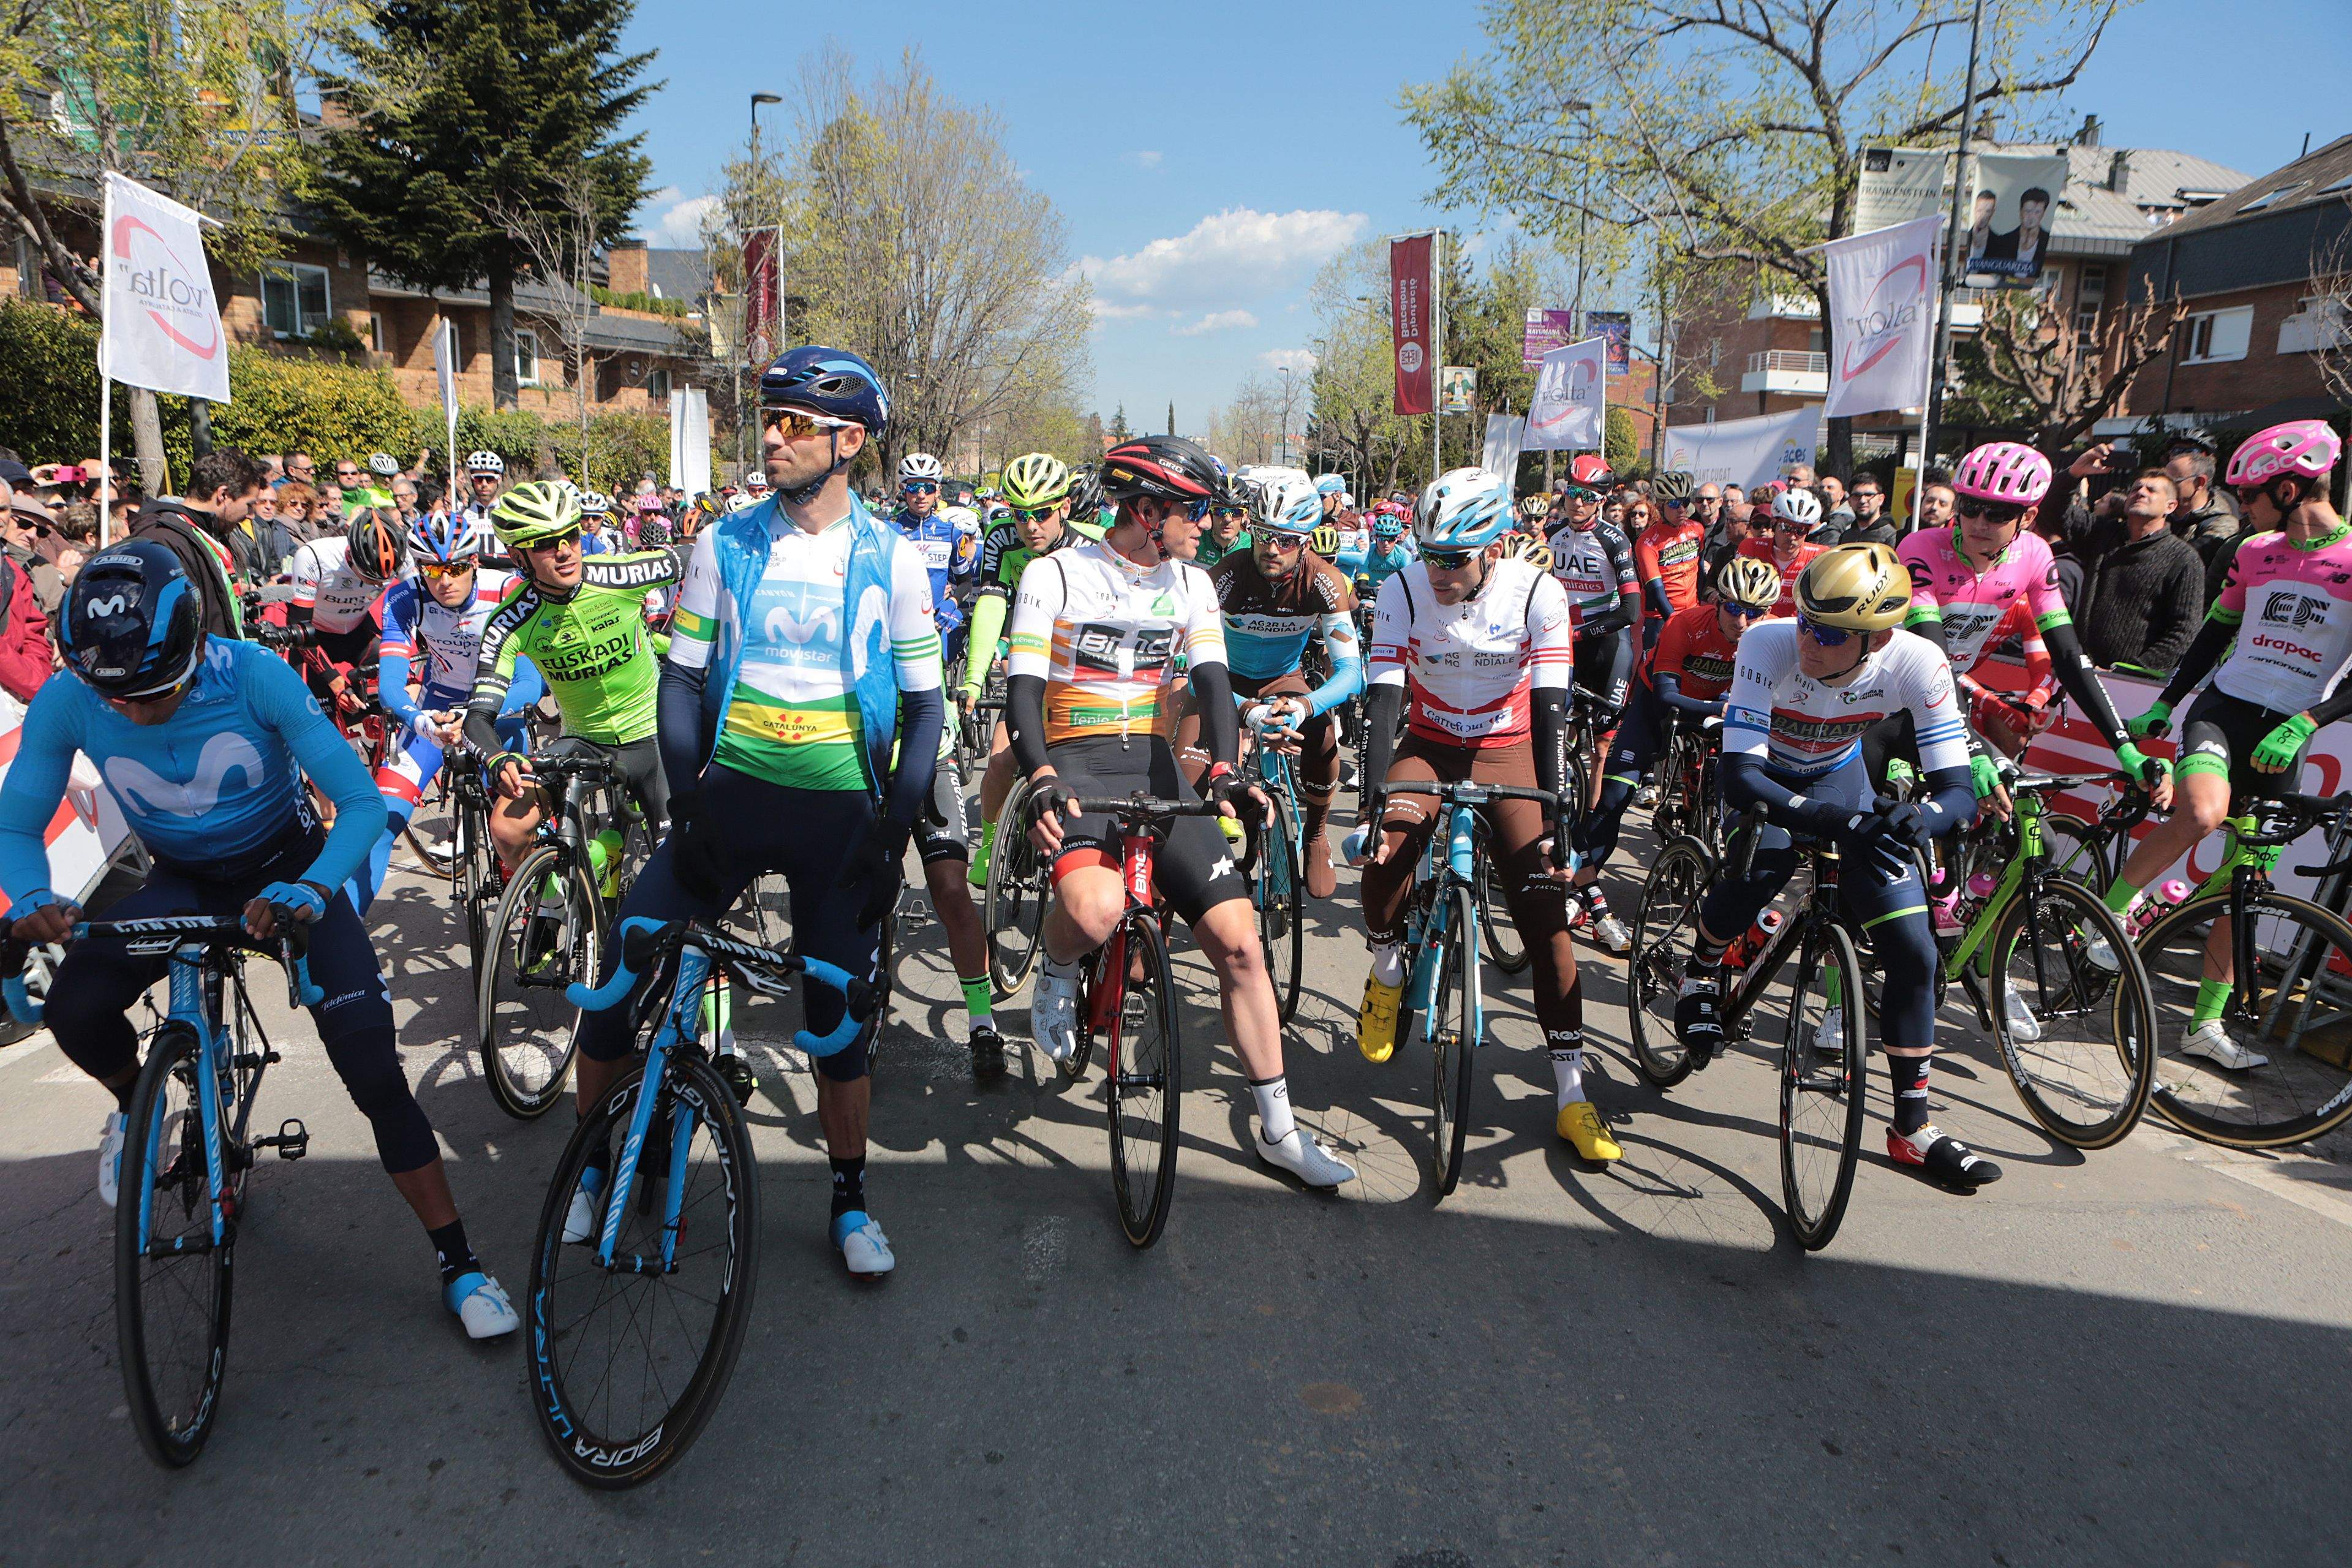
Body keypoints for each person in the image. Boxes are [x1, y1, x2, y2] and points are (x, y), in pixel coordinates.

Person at [0, 543, 518, 1336]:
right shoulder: (73, 696)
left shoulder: (252, 674)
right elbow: (17, 819)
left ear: (191, 648)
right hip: (178, 875)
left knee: (374, 1071)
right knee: (74, 1007)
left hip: (289, 867)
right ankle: (137, 1105)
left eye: (153, 692)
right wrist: (33, 895)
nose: (134, 713)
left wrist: (311, 890)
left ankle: (460, 1263)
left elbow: (359, 803)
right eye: (118, 700)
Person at [562, 347, 938, 1277]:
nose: (772, 436)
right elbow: (682, 679)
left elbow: (927, 705)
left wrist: (894, 833)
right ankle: (590, 1165)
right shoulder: (721, 542)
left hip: (840, 813)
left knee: (836, 1012)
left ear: (849, 441)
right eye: (768, 418)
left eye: (796, 423)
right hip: (727, 798)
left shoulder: (893, 557)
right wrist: (685, 803)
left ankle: (850, 1202)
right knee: (625, 960)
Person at [1014, 435, 1355, 1189]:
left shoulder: (1195, 583)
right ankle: (1060, 965)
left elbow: (1209, 680)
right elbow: (1025, 690)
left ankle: (1280, 1131)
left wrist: (1228, 770)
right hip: (1075, 755)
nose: (1207, 524)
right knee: (1098, 908)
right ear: (1147, 509)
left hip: (1155, 761)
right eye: (1194, 510)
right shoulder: (1054, 574)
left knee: (1240, 945)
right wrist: (1039, 774)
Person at [1675, 544, 2002, 1188]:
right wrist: (1831, 822)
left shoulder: (1918, 661)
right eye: (1803, 619)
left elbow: (1958, 791)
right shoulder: (1767, 644)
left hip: (1838, 777)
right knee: (1760, 874)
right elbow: (1741, 777)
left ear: (1877, 638)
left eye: (1826, 633)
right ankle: (1700, 970)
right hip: (1766, 776)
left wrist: (1923, 817)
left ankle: (1911, 1127)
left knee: (1914, 949)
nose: (1806, 640)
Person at [1355, 468, 1607, 1159]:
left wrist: (1554, 813)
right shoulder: (1402, 588)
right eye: (1429, 553)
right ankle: (1385, 969)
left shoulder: (1539, 592)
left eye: (1454, 559)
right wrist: (1372, 799)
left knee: (1549, 923)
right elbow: (1382, 700)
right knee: (1387, 851)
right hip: (1431, 742)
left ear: (1493, 547)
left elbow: (1554, 707)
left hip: (1510, 747)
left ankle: (1572, 1094)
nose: (1438, 572)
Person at [2106, 421, 2352, 1068]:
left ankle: (2204, 1022)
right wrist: (2165, 700)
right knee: (2201, 813)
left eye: (2250, 494)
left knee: (2246, 878)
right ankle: (2101, 920)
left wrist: (2311, 722)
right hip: (2225, 711)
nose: (2241, 505)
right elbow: (2214, 636)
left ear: (2292, 485)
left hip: (2287, 732)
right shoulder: (2253, 550)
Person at [1898, 441, 2162, 794]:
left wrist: (2126, 751)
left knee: (2018, 809)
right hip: (1891, 689)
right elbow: (1932, 659)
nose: (1979, 523)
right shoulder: (1922, 547)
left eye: (1998, 514)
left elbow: (2069, 656)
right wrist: (1973, 750)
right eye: (1970, 507)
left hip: (1948, 693)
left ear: (2028, 518)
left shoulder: (2035, 555)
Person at [464, 480, 679, 902]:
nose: (564, 550)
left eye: (571, 535)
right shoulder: (510, 621)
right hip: (584, 741)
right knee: (508, 828)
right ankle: (551, 899)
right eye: (545, 543)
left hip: (654, 734)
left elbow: (701, 556)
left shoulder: (621, 574)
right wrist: (497, 757)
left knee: (686, 861)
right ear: (517, 556)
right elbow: (478, 717)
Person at [1572, 555, 1783, 953]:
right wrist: (1721, 708)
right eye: (1734, 609)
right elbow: (1668, 694)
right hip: (1657, 706)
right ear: (1718, 601)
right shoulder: (1685, 623)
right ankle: (1580, 887)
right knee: (1616, 797)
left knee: (1745, 792)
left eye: (1754, 612)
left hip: (1721, 711)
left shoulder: (1771, 635)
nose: (1742, 622)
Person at [345, 512, 541, 914]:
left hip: (496, 711)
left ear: (474, 563)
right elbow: (391, 687)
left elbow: (529, 686)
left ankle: (546, 899)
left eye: (455, 567)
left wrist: (474, 714)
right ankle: (340, 936)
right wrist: (420, 720)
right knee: (380, 823)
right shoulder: (405, 597)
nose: (444, 580)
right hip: (436, 711)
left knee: (523, 819)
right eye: (432, 569)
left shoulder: (507, 590)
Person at [1180, 469, 1362, 898]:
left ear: (1307, 540)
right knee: (1185, 795)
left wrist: (1302, 708)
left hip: (1285, 680)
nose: (1271, 550)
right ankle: (1163, 913)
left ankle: (1316, 834)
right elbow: (1191, 667)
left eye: (1286, 540)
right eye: (1263, 535)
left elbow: (1352, 673)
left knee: (1320, 733)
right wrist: (1247, 710)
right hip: (1223, 681)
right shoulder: (1226, 575)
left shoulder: (1325, 581)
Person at [961, 466, 1105, 889]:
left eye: (1041, 513)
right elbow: (990, 606)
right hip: (1028, 662)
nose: (1029, 525)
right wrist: (973, 680)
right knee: (1003, 759)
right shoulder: (1002, 538)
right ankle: (989, 845)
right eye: (1019, 513)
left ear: (1064, 507)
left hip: (1076, 671)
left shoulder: (1090, 547)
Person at [2071, 470, 2204, 676]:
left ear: (2171, 506)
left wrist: (2129, 671)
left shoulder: (2184, 559)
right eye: (2135, 488)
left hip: (2132, 685)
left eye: (2151, 490)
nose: (2140, 492)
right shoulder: (2104, 533)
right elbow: (2057, 513)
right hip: (2079, 671)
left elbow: (2184, 630)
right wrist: (2074, 473)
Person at [130, 447, 273, 637]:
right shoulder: (160, 538)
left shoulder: (217, 533)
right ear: (223, 495)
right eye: (249, 504)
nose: (251, 515)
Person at [286, 508, 403, 714]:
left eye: (383, 580)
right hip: (315, 636)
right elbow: (299, 630)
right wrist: (335, 682)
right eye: (370, 577)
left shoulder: (401, 557)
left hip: (358, 632)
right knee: (309, 712)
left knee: (390, 697)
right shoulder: (314, 556)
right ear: (351, 556)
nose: (378, 584)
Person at [893, 451, 967, 668]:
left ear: (938, 490)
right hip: (897, 628)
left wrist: (951, 604)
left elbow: (965, 584)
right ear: (903, 490)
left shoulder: (952, 532)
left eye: (929, 487)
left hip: (934, 628)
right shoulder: (888, 531)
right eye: (914, 488)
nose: (921, 495)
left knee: (934, 697)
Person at [1632, 471, 1706, 646]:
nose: (1681, 509)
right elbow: (1656, 591)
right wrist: (1675, 622)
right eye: (1674, 504)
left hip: (1693, 614)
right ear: (1659, 506)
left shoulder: (1697, 529)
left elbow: (1701, 571)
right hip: (1660, 618)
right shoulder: (1647, 542)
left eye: (1685, 503)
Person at [2165, 438, 2241, 603]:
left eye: (2172, 482)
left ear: (2200, 483)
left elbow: (2182, 560)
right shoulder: (2162, 513)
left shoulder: (2222, 523)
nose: (2165, 488)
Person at [1737, 488, 1828, 616]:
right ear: (1774, 522)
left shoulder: (1819, 556)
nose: (1792, 537)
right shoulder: (1751, 548)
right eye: (1786, 527)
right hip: (1757, 622)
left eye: (1801, 531)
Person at [1842, 474, 1896, 548]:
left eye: (1869, 495)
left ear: (1881, 499)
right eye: (1857, 496)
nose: (1862, 501)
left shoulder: (1891, 536)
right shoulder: (1846, 536)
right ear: (1849, 501)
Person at [460, 451, 505, 532]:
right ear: (472, 480)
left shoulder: (507, 513)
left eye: (490, 479)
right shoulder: (463, 515)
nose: (484, 484)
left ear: (499, 479)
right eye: (479, 479)